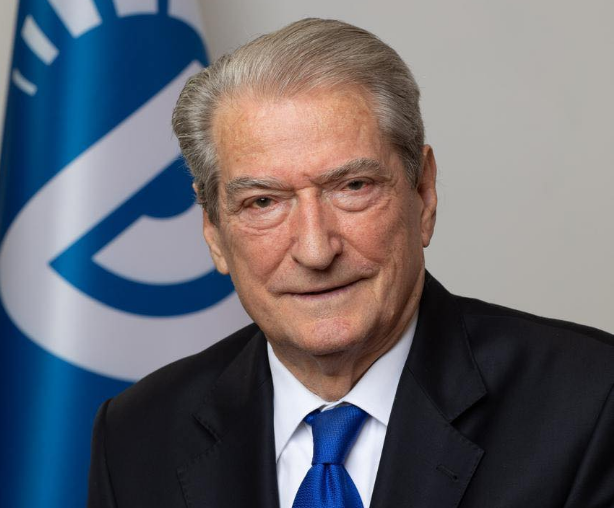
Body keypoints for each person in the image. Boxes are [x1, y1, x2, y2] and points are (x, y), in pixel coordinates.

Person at [87, 18, 614, 508]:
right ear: (214, 233)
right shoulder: (136, 434)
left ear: (424, 194)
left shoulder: (592, 401)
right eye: (263, 202)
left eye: (353, 187)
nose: (316, 251)